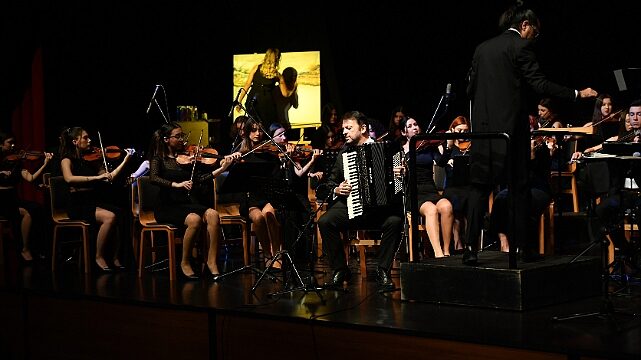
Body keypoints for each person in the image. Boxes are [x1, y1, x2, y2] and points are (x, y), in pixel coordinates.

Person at [464, 3, 597, 265]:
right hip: (511, 131)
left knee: (479, 189)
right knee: (519, 188)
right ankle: (523, 248)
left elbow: (470, 89)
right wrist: (576, 94)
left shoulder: (482, 48)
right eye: (534, 33)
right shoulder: (520, 47)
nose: (534, 38)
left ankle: (470, 250)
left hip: (482, 132)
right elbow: (539, 84)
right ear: (525, 25)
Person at [317, 111, 403, 289]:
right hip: (353, 208)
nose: (344, 132)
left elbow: (399, 185)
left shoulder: (387, 150)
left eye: (349, 128)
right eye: (343, 129)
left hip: (380, 211)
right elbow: (329, 182)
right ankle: (340, 270)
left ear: (363, 128)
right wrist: (337, 189)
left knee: (395, 221)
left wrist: (401, 175)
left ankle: (383, 271)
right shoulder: (344, 153)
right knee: (325, 221)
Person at [149, 123, 240, 278]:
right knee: (194, 219)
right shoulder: (160, 159)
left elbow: (200, 179)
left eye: (182, 135)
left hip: (186, 203)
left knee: (213, 214)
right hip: (167, 205)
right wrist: (175, 184)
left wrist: (222, 168)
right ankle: (185, 262)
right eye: (177, 136)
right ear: (166, 139)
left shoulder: (186, 158)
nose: (182, 139)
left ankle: (211, 262)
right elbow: (153, 177)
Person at [58, 127, 133, 271]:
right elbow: (69, 178)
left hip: (92, 200)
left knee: (122, 213)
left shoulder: (92, 159)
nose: (90, 140)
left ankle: (116, 256)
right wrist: (96, 177)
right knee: (109, 217)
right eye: (85, 138)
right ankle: (98, 256)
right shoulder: (66, 159)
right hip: (77, 203)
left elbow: (108, 177)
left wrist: (125, 161)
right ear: (75, 141)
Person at [393, 117, 454, 258]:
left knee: (446, 206)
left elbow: (442, 162)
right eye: (410, 126)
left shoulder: (428, 146)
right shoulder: (400, 152)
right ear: (404, 132)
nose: (415, 127)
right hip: (414, 193)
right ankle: (438, 254)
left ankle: (446, 252)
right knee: (431, 210)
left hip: (430, 190)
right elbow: (397, 181)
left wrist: (449, 147)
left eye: (416, 124)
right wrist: (401, 172)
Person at [0, 131, 53, 262]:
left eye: (14, 143)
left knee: (37, 208)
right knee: (26, 213)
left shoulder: (17, 161)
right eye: (9, 143)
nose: (13, 145)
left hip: (13, 197)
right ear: (1, 145)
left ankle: (37, 247)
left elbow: (30, 178)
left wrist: (45, 164)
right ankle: (24, 248)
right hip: (1, 199)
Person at [237, 119, 283, 268]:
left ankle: (277, 253)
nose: (257, 133)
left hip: (268, 197)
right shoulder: (244, 156)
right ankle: (267, 254)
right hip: (251, 200)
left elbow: (277, 179)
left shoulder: (270, 154)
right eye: (253, 130)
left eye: (260, 130)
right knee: (257, 218)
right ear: (247, 133)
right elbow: (239, 184)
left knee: (269, 214)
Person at [236, 48, 281, 129]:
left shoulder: (257, 68)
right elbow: (285, 93)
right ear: (277, 59)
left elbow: (247, 85)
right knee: (261, 127)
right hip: (259, 103)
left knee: (255, 127)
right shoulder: (277, 74)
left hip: (260, 102)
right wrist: (239, 101)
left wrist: (240, 101)